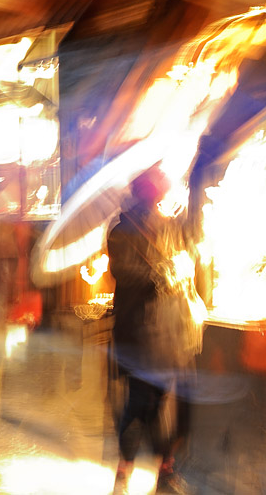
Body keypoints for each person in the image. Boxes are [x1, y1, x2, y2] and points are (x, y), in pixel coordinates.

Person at [107, 168, 202, 494]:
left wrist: (178, 268)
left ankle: (160, 469)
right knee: (140, 402)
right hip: (137, 331)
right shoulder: (122, 230)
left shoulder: (168, 225)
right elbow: (124, 271)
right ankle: (129, 470)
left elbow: (181, 257)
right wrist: (159, 274)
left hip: (166, 331)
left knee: (159, 401)